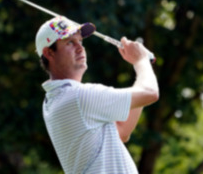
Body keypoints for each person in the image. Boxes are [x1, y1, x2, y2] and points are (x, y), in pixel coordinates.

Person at [35, 16, 159, 174]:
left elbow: (122, 131)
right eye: (70, 42)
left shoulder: (53, 100)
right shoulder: (79, 97)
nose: (80, 48)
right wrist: (141, 61)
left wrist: (140, 66)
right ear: (49, 53)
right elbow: (151, 93)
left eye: (80, 41)